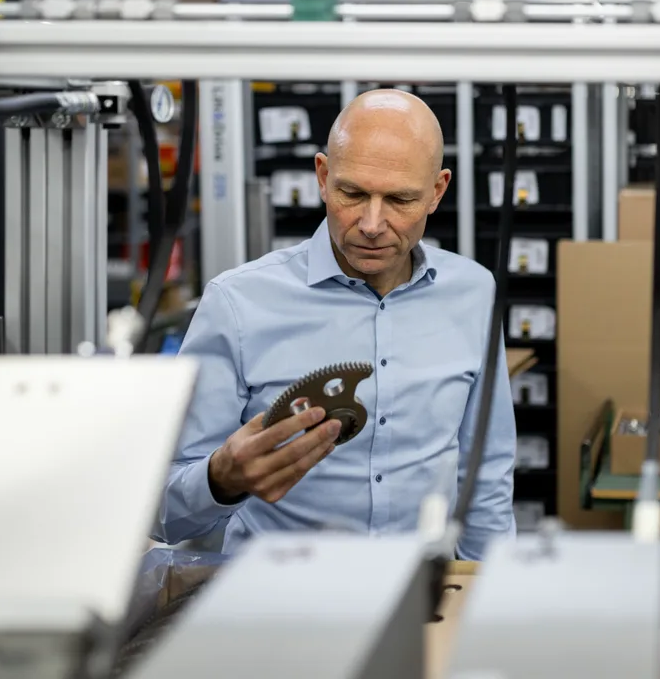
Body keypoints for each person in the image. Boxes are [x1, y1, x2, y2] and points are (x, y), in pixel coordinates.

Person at [151, 88, 516, 560]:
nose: (371, 222)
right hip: (282, 602)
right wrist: (220, 478)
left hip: (423, 596)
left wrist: (484, 592)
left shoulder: (473, 293)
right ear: (323, 177)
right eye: (352, 193)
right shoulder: (237, 304)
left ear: (437, 191)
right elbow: (163, 513)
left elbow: (485, 472)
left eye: (401, 199)